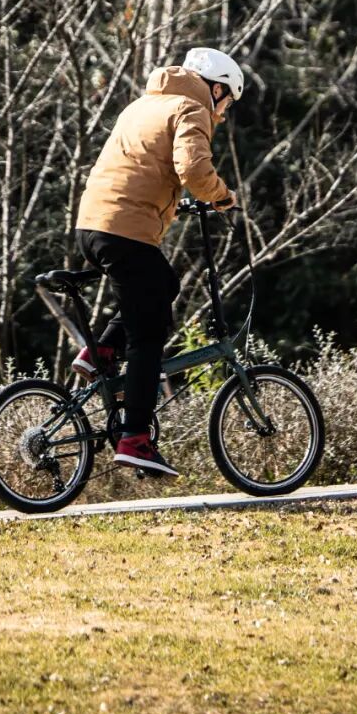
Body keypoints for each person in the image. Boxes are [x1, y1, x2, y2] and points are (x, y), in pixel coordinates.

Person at [73, 46, 242, 478]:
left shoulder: (144, 104)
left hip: (93, 225)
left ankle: (100, 351)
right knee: (149, 336)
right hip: (126, 230)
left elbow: (143, 165)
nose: (222, 113)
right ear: (217, 88)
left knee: (163, 284)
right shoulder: (191, 107)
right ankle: (136, 439)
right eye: (226, 102)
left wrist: (177, 201)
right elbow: (193, 169)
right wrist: (222, 197)